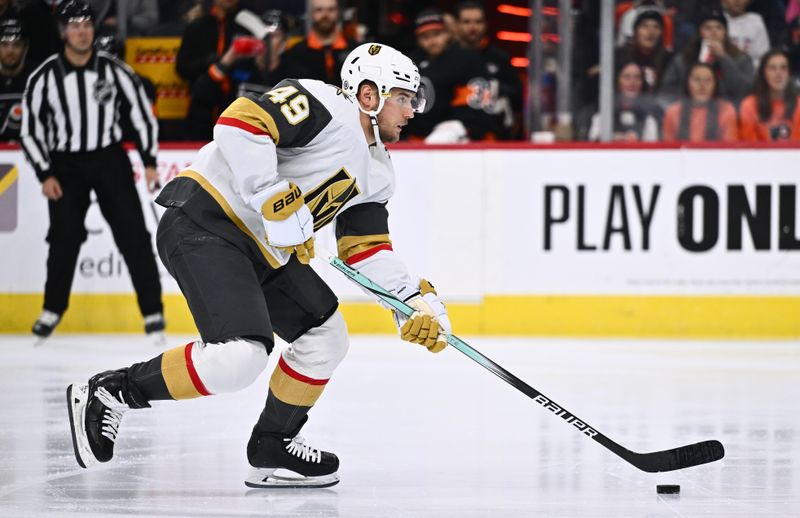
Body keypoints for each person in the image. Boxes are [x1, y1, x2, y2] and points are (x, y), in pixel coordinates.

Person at [65, 42, 453, 489]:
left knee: (326, 337)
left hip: (261, 250)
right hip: (205, 219)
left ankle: (272, 444)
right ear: (369, 95)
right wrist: (268, 192)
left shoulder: (380, 170)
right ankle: (111, 391)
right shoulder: (327, 104)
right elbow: (240, 122)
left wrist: (412, 301)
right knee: (239, 358)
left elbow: (364, 250)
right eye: (404, 98)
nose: (411, 110)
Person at [20, 0, 164, 339]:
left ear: (93, 30)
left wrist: (149, 161)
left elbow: (142, 114)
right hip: (65, 165)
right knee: (63, 239)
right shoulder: (44, 77)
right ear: (63, 32)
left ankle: (153, 311)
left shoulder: (115, 70)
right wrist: (45, 173)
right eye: (74, 25)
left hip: (108, 159)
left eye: (87, 25)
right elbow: (31, 130)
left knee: (133, 235)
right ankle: (52, 309)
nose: (82, 32)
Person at [176, 0, 269, 140]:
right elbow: (182, 69)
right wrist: (211, 62)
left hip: (240, 108)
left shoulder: (249, 23)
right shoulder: (196, 28)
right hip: (202, 107)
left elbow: (265, 67)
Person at [405, 9, 492, 142]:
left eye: (437, 34)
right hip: (416, 141)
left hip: (460, 140)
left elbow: (475, 106)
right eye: (425, 37)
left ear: (447, 34)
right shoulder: (409, 64)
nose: (432, 41)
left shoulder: (467, 61)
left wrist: (457, 128)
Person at [453, 1, 523, 139]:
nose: (472, 27)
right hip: (454, 140)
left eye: (478, 22)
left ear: (485, 25)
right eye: (466, 22)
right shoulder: (447, 58)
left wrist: (497, 90)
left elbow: (517, 96)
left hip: (496, 141)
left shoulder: (499, 58)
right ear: (457, 25)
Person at [661, 9, 754, 105]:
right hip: (689, 112)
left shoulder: (741, 59)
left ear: (725, 33)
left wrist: (724, 59)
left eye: (719, 28)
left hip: (728, 113)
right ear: (699, 32)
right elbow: (666, 91)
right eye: (708, 28)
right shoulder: (683, 60)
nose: (713, 32)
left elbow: (745, 91)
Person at [267, 0, 354, 85]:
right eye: (319, 10)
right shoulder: (295, 52)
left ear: (338, 12)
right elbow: (277, 83)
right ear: (311, 14)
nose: (325, 15)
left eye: (331, 9)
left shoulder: (354, 50)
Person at [662, 62, 739, 142]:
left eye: (708, 80)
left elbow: (730, 148)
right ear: (687, 83)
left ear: (715, 84)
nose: (702, 85)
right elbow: (668, 149)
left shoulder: (726, 110)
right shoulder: (673, 112)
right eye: (697, 80)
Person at [588, 61, 660, 142]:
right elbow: (594, 142)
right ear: (617, 81)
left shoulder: (649, 116)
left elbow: (652, 147)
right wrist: (615, 138)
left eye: (637, 77)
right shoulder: (604, 112)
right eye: (627, 77)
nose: (632, 82)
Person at [739, 49, 800, 140]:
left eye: (783, 68)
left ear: (789, 73)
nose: (778, 74)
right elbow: (750, 147)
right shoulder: (749, 105)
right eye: (772, 68)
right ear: (763, 74)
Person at [615, 10, 673, 93]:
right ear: (635, 31)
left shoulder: (668, 60)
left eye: (656, 27)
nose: (650, 32)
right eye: (644, 26)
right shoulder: (620, 56)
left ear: (661, 33)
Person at [0, 18, 36, 141]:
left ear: (25, 47)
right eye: (4, 44)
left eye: (16, 44)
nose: (10, 51)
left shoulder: (38, 78)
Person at [722, 0, 770, 68]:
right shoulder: (717, 22)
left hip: (750, 73)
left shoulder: (756, 22)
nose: (737, 1)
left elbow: (762, 56)